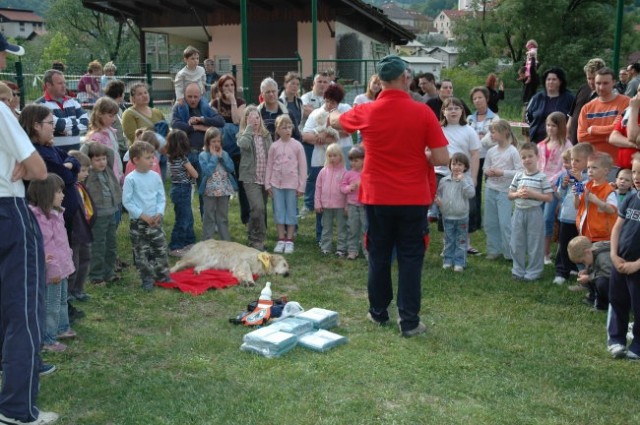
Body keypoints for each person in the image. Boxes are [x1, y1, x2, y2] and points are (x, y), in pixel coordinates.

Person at [329, 54, 449, 338]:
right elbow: (442, 156)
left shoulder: (368, 111)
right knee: (410, 257)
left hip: (377, 195)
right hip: (413, 196)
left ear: (380, 81)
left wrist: (331, 113)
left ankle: (378, 312)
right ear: (405, 78)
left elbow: (338, 121)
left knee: (379, 255)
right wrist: (423, 154)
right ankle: (409, 321)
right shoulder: (423, 113)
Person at [0, 31, 59, 425]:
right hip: (9, 211)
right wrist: (26, 164)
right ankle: (17, 409)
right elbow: (37, 168)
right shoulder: (1, 111)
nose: (4, 63)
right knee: (23, 310)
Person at [27, 174, 76, 353]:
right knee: (51, 306)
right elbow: (47, 247)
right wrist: (54, 269)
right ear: (46, 194)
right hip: (52, 271)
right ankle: (48, 340)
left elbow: (61, 241)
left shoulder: (56, 213)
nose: (63, 195)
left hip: (61, 267)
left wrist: (67, 258)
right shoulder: (41, 219)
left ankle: (62, 328)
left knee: (63, 299)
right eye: (58, 192)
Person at [19, 104, 81, 240]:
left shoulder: (49, 147)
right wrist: (71, 169)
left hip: (64, 216)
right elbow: (65, 178)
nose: (54, 127)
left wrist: (70, 164)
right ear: (36, 125)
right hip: (50, 221)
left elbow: (75, 160)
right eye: (50, 123)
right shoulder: (36, 153)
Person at [303, 83, 352, 243]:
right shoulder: (316, 113)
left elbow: (348, 131)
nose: (330, 104)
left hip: (342, 159)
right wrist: (327, 136)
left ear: (339, 102)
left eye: (333, 102)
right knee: (323, 198)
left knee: (345, 198)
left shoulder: (345, 110)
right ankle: (322, 237)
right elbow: (306, 135)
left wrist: (326, 137)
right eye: (328, 101)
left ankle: (346, 238)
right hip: (320, 161)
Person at [122, 141, 172, 291]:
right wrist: (142, 215)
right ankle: (146, 278)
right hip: (139, 223)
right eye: (148, 157)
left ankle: (162, 274)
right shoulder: (131, 179)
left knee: (160, 248)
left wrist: (159, 212)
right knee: (142, 251)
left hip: (155, 220)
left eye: (153, 157)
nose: (152, 160)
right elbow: (127, 201)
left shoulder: (155, 176)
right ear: (136, 160)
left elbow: (161, 197)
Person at [171, 81, 225, 215]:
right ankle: (185, 222)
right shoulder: (179, 107)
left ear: (201, 95)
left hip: (203, 155)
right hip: (185, 155)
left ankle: (206, 219)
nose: (193, 100)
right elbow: (175, 124)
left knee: (205, 189)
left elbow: (220, 122)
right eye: (189, 96)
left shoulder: (205, 108)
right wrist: (193, 128)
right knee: (184, 191)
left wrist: (202, 120)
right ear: (184, 96)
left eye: (196, 96)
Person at [438, 97, 481, 254]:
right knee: (447, 208)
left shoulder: (469, 130)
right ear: (443, 111)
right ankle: (447, 243)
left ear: (462, 111)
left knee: (469, 208)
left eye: (457, 108)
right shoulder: (438, 129)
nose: (453, 111)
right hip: (444, 175)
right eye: (449, 108)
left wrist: (474, 177)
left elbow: (475, 154)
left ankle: (465, 242)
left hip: (465, 175)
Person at [607, 153, 640, 360]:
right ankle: (616, 340)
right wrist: (613, 255)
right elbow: (617, 228)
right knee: (617, 301)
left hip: (637, 267)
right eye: (635, 171)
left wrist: (637, 264)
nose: (636, 176)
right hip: (620, 262)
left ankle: (637, 346)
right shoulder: (630, 197)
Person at [508, 142, 554, 281]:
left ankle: (534, 272)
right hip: (518, 212)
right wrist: (517, 194)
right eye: (523, 157)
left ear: (537, 157)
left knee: (535, 243)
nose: (527, 160)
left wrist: (533, 194)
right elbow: (510, 194)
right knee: (516, 242)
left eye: (530, 156)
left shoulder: (542, 177)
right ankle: (518, 270)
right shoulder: (518, 175)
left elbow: (549, 197)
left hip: (534, 212)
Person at [209, 74, 249, 224]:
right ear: (220, 88)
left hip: (238, 151)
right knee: (221, 185)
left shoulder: (240, 102)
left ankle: (247, 218)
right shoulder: (214, 103)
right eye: (226, 86)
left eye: (231, 85)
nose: (229, 88)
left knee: (243, 185)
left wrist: (232, 101)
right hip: (221, 150)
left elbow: (237, 120)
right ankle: (220, 220)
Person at [553, 143, 594, 285]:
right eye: (572, 160)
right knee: (564, 245)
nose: (573, 163)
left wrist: (578, 181)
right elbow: (559, 195)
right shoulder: (567, 175)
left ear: (588, 161)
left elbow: (584, 196)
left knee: (580, 245)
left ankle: (578, 268)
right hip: (566, 216)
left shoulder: (589, 178)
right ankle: (561, 271)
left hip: (581, 219)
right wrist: (563, 186)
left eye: (577, 160)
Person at [265, 115, 306, 254]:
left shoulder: (297, 146)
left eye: (289, 127)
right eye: (284, 128)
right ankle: (281, 238)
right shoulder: (274, 146)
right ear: (277, 130)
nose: (287, 130)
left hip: (292, 185)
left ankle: (289, 240)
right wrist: (267, 184)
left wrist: (301, 186)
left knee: (291, 212)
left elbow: (303, 167)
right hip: (276, 185)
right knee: (279, 211)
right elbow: (269, 166)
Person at [83, 142, 122, 286]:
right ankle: (96, 276)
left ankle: (109, 272)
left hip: (111, 212)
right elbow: (81, 156)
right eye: (97, 159)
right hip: (97, 216)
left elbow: (111, 153)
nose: (102, 162)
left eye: (103, 159)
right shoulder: (88, 173)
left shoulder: (108, 170)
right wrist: (88, 145)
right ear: (90, 161)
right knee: (98, 246)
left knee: (111, 245)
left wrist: (101, 147)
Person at [483, 120, 522, 261]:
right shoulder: (491, 151)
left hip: (505, 191)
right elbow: (485, 168)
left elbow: (520, 171)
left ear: (504, 132)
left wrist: (502, 172)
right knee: (490, 221)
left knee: (505, 222)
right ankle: (494, 249)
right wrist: (488, 171)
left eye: (493, 132)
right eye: (491, 132)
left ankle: (509, 252)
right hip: (490, 189)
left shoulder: (513, 151)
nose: (491, 135)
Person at [537, 112, 573, 264]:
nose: (550, 128)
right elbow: (537, 165)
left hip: (554, 189)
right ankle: (537, 250)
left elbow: (565, 168)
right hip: (538, 187)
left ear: (561, 127)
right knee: (537, 219)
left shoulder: (567, 145)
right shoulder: (541, 145)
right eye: (548, 125)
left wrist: (549, 180)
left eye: (554, 125)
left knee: (547, 219)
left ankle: (546, 253)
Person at [237, 105, 273, 251]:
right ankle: (256, 239)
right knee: (257, 207)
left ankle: (256, 236)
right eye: (251, 118)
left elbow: (271, 156)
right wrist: (249, 129)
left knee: (260, 209)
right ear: (245, 120)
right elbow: (243, 145)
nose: (255, 120)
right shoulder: (242, 135)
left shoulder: (266, 136)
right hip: (250, 178)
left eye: (257, 117)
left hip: (265, 178)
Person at [578, 67, 630, 161]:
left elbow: (623, 131)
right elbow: (582, 138)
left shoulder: (626, 102)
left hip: (618, 163)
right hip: (594, 164)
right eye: (598, 83)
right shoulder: (587, 108)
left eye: (605, 83)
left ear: (614, 82)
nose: (601, 87)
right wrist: (611, 137)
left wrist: (593, 129)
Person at [467, 86, 500, 235]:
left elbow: (494, 137)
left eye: (480, 97)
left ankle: (493, 221)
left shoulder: (494, 118)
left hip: (490, 158)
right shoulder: (469, 119)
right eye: (475, 98)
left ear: (486, 99)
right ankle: (475, 221)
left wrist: (479, 140)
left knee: (492, 189)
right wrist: (478, 139)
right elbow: (468, 137)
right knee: (474, 189)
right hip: (473, 158)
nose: (477, 100)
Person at [435, 152, 475, 272]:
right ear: (450, 165)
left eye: (460, 164)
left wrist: (463, 182)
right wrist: (439, 202)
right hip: (447, 216)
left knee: (461, 241)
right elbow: (439, 195)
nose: (456, 167)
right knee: (449, 240)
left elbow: (471, 194)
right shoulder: (444, 181)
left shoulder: (467, 181)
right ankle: (448, 260)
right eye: (454, 164)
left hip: (461, 216)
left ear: (465, 167)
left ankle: (459, 262)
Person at [35, 68, 89, 152]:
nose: (64, 86)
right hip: (54, 155)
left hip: (76, 154)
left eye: (64, 83)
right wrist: (77, 122)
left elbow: (87, 122)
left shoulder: (72, 101)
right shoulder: (40, 105)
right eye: (60, 83)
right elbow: (60, 125)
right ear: (48, 85)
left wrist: (68, 132)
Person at [66, 150, 94, 302]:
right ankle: (69, 292)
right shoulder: (69, 188)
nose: (86, 173)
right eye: (83, 170)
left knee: (86, 258)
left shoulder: (81, 186)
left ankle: (79, 289)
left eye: (87, 170)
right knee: (73, 262)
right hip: (75, 232)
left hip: (84, 230)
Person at [199, 127, 236, 241]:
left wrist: (222, 157)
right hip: (209, 190)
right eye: (213, 141)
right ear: (208, 142)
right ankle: (207, 240)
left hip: (224, 189)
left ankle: (225, 241)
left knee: (222, 216)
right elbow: (207, 171)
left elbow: (231, 168)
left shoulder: (224, 153)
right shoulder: (203, 155)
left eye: (218, 141)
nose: (216, 144)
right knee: (209, 216)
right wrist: (214, 157)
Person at [166, 130, 198, 257]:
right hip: (183, 189)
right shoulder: (183, 159)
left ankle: (189, 242)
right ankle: (176, 246)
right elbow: (195, 174)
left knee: (187, 217)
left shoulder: (171, 158)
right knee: (183, 219)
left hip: (176, 188)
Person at [574, 152, 617, 242]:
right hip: (584, 232)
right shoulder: (585, 185)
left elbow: (612, 210)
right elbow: (576, 206)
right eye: (588, 167)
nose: (590, 170)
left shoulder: (609, 190)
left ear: (606, 171)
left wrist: (596, 200)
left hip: (602, 237)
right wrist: (576, 195)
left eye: (594, 167)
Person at [525, 67, 575, 143]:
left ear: (560, 81)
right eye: (548, 79)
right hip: (537, 141)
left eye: (554, 79)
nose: (550, 82)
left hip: (560, 141)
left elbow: (573, 117)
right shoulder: (536, 98)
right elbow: (528, 115)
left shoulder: (570, 99)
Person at [315, 143, 348, 256]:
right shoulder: (323, 172)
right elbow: (318, 188)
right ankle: (326, 247)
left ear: (340, 156)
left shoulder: (345, 172)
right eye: (330, 156)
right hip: (326, 206)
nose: (332, 158)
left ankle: (341, 248)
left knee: (341, 228)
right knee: (326, 227)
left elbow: (348, 192)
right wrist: (317, 203)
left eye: (335, 155)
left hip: (340, 205)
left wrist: (347, 205)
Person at [85, 96, 124, 184]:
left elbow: (116, 155)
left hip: (116, 176)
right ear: (99, 114)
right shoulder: (96, 137)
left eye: (115, 116)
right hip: (105, 180)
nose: (114, 119)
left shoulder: (112, 132)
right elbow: (95, 162)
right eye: (110, 116)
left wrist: (120, 174)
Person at [567, 58, 606, 145]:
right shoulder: (583, 89)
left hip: (593, 141)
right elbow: (572, 113)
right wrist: (567, 131)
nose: (591, 82)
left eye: (594, 78)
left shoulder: (607, 94)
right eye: (589, 78)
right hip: (574, 138)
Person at [568, 236, 611, 311]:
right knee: (590, 275)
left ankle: (605, 304)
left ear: (587, 252)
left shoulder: (602, 257)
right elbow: (597, 267)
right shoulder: (593, 250)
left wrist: (589, 277)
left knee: (601, 282)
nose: (584, 264)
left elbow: (610, 274)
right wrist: (587, 270)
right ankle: (593, 298)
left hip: (623, 282)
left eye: (583, 261)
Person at [340, 146, 367, 260]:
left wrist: (363, 185)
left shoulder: (367, 173)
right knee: (353, 228)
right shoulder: (348, 174)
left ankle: (367, 251)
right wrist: (349, 188)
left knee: (365, 229)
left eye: (356, 160)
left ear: (364, 160)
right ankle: (352, 250)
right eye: (351, 160)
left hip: (364, 205)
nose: (353, 163)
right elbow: (342, 187)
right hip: (352, 205)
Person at [257, 77, 301, 141]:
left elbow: (297, 137)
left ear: (277, 92)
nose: (271, 94)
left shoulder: (288, 113)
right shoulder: (257, 113)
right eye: (268, 92)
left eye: (273, 91)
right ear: (262, 94)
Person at [609, 87, 640, 169]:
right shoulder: (629, 112)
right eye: (638, 90)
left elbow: (632, 136)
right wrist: (634, 145)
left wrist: (634, 108)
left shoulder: (633, 110)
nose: (638, 94)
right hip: (624, 171)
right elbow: (613, 138)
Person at [104, 79, 129, 161]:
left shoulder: (118, 107)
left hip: (121, 146)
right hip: (116, 147)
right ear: (119, 94)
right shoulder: (110, 108)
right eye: (123, 93)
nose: (124, 95)